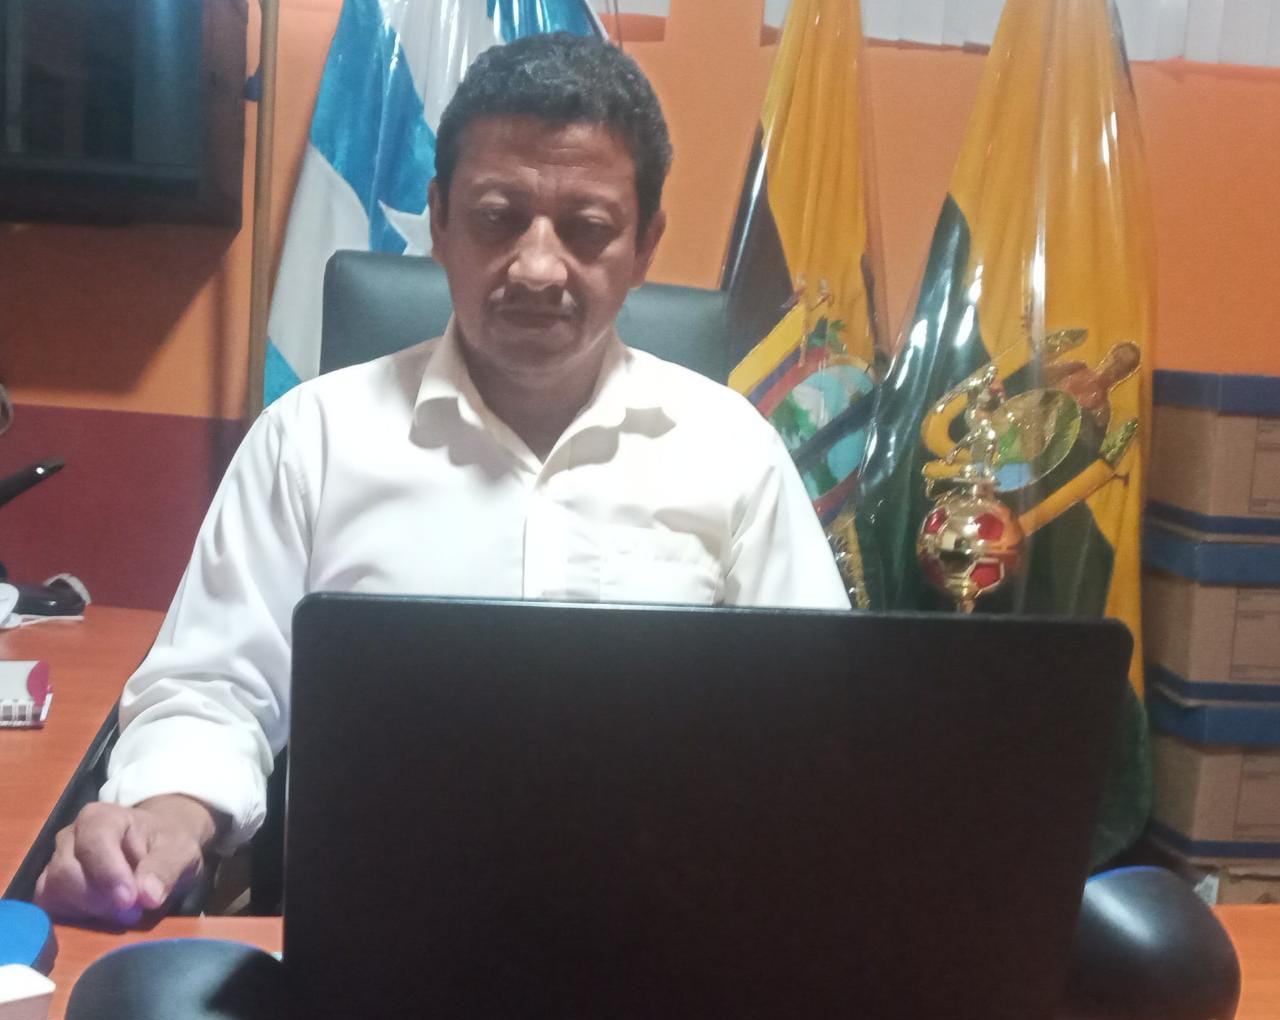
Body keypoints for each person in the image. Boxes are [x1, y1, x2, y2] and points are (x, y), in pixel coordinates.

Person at [34, 33, 850, 927]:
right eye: (499, 217)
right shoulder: (313, 439)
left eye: (586, 230)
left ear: (646, 243)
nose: (538, 266)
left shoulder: (733, 451)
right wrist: (164, 815)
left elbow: (817, 717)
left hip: (667, 931)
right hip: (371, 933)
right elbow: (215, 687)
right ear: (439, 221)